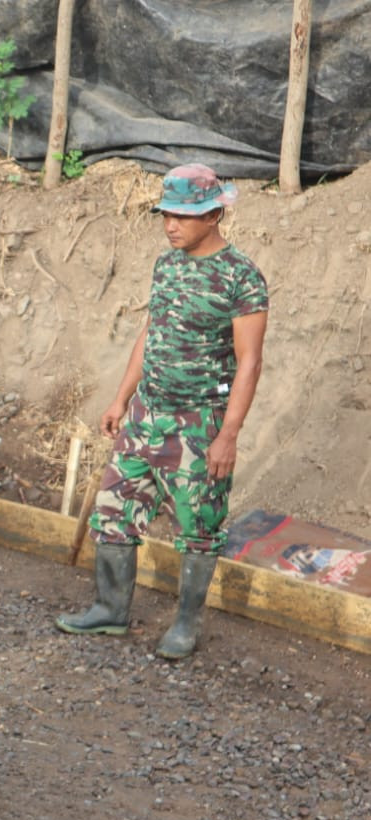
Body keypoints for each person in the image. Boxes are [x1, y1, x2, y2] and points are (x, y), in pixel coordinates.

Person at [57, 164, 267, 659]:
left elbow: (250, 361)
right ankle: (110, 609)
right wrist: (121, 397)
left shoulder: (241, 277)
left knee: (199, 529)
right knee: (113, 513)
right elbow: (149, 334)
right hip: (146, 416)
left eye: (183, 216)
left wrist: (228, 434)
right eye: (166, 215)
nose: (171, 225)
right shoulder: (166, 265)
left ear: (215, 214)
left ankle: (186, 625)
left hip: (199, 423)